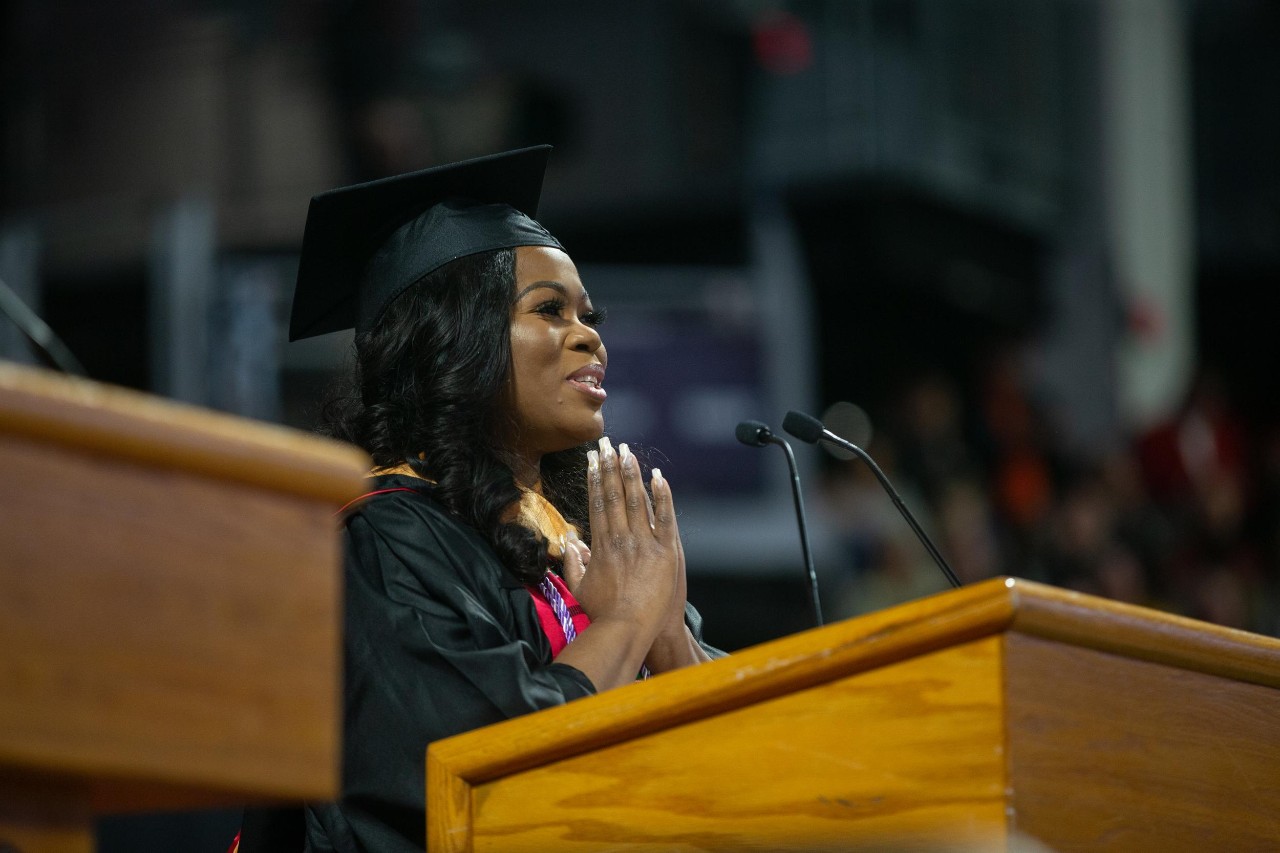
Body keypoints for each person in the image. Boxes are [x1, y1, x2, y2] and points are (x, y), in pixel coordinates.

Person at [237, 146, 722, 852]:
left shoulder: (584, 545)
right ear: (454, 341)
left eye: (588, 314)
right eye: (550, 309)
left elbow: (739, 753)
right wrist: (623, 624)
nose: (591, 336)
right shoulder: (387, 543)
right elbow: (489, 770)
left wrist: (670, 635)